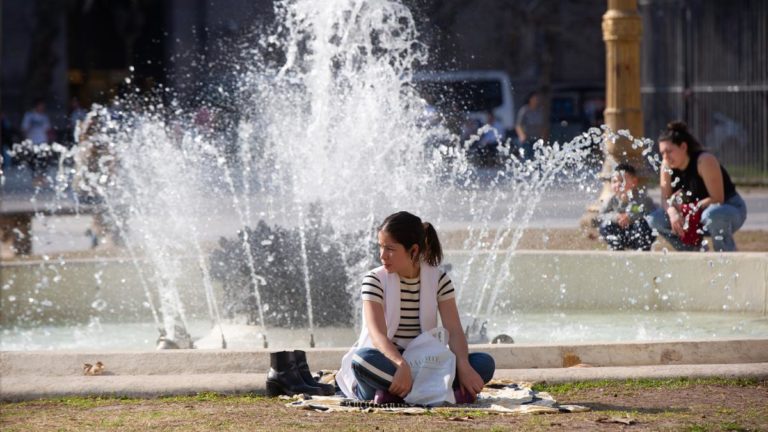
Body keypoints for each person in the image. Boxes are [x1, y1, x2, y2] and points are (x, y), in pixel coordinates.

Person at [337, 211, 495, 404]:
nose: (382, 255)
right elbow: (377, 335)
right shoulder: (374, 280)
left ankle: (393, 395)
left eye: (390, 249)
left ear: (413, 250)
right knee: (362, 360)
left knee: (484, 363)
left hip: (425, 363)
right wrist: (401, 364)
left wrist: (463, 364)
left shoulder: (439, 280)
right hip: (388, 361)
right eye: (380, 247)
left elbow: (453, 330)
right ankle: (439, 393)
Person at [647, 121, 747, 251]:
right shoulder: (666, 165)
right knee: (655, 219)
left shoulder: (704, 160)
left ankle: (726, 256)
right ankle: (692, 251)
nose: (665, 157)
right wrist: (673, 214)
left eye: (669, 151)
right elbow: (665, 199)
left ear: (683, 147)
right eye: (662, 153)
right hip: (694, 214)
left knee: (712, 215)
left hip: (727, 209)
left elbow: (717, 199)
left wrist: (688, 209)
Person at [598, 163, 656, 251]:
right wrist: (616, 217)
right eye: (614, 181)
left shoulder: (640, 198)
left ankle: (643, 249)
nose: (618, 184)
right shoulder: (611, 200)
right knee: (605, 225)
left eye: (622, 181)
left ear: (634, 182)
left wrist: (629, 216)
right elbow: (602, 215)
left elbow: (641, 210)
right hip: (622, 232)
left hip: (638, 232)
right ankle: (617, 246)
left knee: (642, 225)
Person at [21, 99, 53, 184]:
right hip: (32, 141)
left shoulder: (44, 117)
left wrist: (50, 139)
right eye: (41, 106)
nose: (42, 108)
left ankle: (42, 177)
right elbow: (24, 128)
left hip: (42, 140)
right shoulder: (29, 115)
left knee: (44, 160)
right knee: (33, 161)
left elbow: (48, 129)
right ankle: (35, 177)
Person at [514, 91, 545, 159]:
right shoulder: (524, 110)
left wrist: (543, 136)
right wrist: (522, 135)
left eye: (537, 99)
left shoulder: (539, 110)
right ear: (530, 99)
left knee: (538, 157)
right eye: (534, 98)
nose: (536, 100)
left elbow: (542, 125)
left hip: (537, 138)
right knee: (527, 157)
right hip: (527, 138)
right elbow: (518, 125)